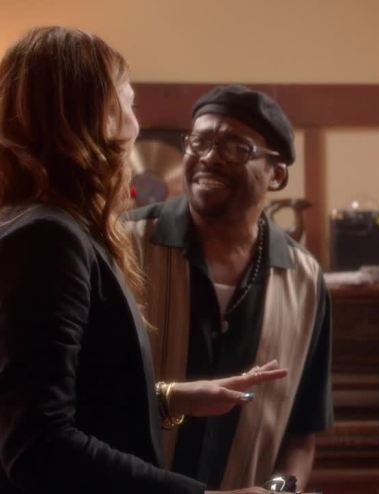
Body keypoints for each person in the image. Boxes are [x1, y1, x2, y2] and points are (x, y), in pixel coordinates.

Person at [0, 26, 287, 494]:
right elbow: (38, 445)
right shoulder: (48, 238)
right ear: (91, 119)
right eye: (128, 105)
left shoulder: (46, 227)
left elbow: (67, 397)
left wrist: (173, 398)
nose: (136, 125)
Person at [127, 85, 333, 490]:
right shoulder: (124, 245)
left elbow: (301, 433)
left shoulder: (305, 280)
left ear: (277, 173)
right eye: (199, 141)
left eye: (236, 147)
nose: (209, 157)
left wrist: (278, 490)